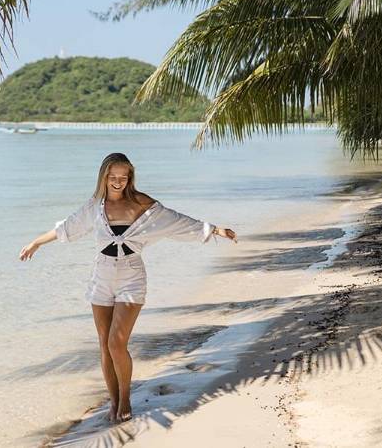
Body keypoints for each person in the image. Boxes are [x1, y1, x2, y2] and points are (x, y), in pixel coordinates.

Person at [18, 152, 237, 424]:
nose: (118, 182)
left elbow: (178, 222)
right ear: (104, 178)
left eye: (123, 177)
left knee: (116, 342)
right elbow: (67, 227)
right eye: (113, 177)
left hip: (132, 277)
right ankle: (113, 401)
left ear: (129, 178)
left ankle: (125, 398)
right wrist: (37, 242)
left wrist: (215, 230)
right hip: (101, 276)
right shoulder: (95, 207)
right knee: (104, 345)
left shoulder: (143, 204)